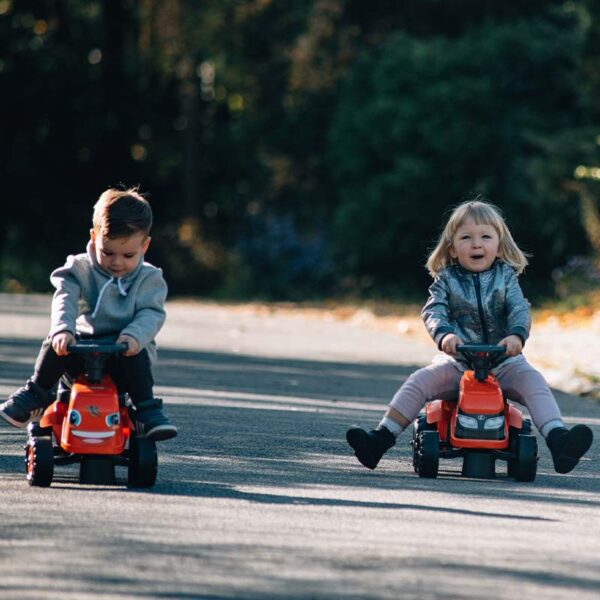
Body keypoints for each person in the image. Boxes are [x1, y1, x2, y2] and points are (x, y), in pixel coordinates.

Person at [346, 198, 593, 474]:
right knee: (419, 381)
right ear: (452, 248)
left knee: (534, 382)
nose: (477, 244)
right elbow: (434, 310)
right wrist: (446, 336)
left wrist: (516, 336)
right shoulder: (446, 280)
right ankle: (380, 439)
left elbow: (519, 309)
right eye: (466, 237)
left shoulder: (506, 278)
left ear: (499, 245)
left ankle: (558, 439)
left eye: (485, 236)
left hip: (504, 362)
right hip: (458, 362)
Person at [0, 186, 177, 441]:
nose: (117, 262)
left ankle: (147, 411)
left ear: (145, 246)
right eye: (107, 252)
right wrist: (63, 329)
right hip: (81, 350)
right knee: (56, 343)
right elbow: (65, 297)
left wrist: (134, 336)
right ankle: (36, 393)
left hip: (123, 352)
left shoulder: (149, 278)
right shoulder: (79, 268)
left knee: (137, 355)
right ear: (94, 237)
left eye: (128, 255)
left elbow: (151, 312)